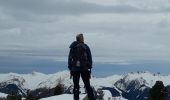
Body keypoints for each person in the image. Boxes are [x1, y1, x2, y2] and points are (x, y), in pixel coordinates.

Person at [68, 33, 95, 100]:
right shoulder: (85, 46)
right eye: (82, 37)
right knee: (87, 86)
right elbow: (90, 57)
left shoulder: (73, 46)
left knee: (76, 86)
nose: (83, 38)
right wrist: (89, 66)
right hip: (84, 68)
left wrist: (70, 68)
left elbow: (69, 58)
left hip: (74, 69)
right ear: (81, 38)